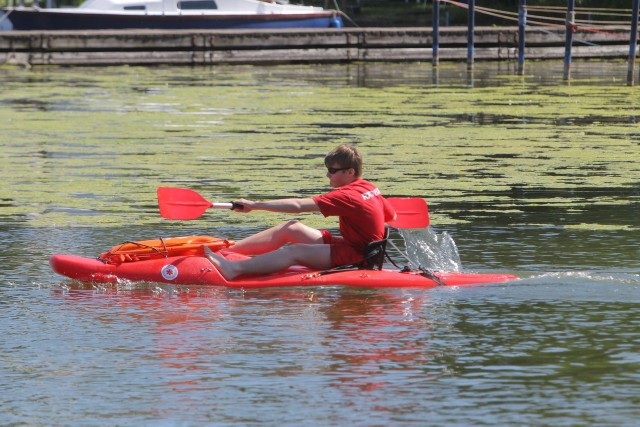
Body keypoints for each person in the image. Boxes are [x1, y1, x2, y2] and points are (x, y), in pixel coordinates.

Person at [204, 144, 396, 280]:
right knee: (292, 228)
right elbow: (390, 216)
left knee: (294, 251)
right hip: (357, 247)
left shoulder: (348, 196)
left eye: (332, 170)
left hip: (358, 256)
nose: (327, 174)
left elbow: (297, 206)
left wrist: (254, 204)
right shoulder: (370, 188)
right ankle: (225, 254)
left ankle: (234, 269)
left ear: (350, 172)